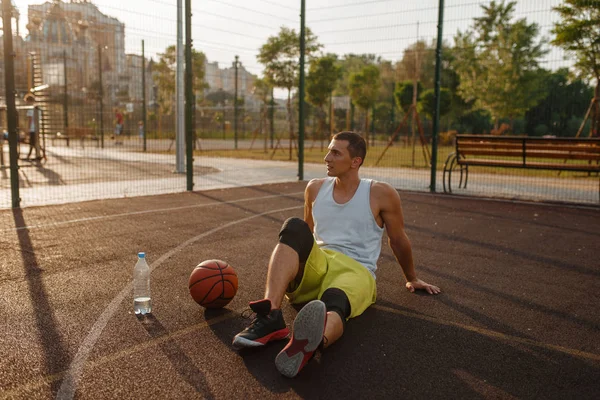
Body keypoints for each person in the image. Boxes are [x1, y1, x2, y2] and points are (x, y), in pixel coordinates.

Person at [233, 131, 440, 378]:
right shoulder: (315, 188)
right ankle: (271, 316)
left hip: (356, 270)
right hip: (320, 264)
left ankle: (314, 340)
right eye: (329, 150)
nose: (326, 157)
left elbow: (398, 240)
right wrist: (291, 267)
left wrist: (411, 276)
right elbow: (306, 233)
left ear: (356, 161)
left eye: (335, 152)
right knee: (294, 226)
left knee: (335, 300)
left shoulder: (381, 193)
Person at [24, 93, 41, 161]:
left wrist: (28, 128)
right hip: (37, 127)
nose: (26, 103)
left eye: (27, 101)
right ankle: (37, 155)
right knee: (35, 142)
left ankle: (32, 155)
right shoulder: (37, 108)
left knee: (32, 142)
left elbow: (30, 120)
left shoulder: (31, 108)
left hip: (32, 128)